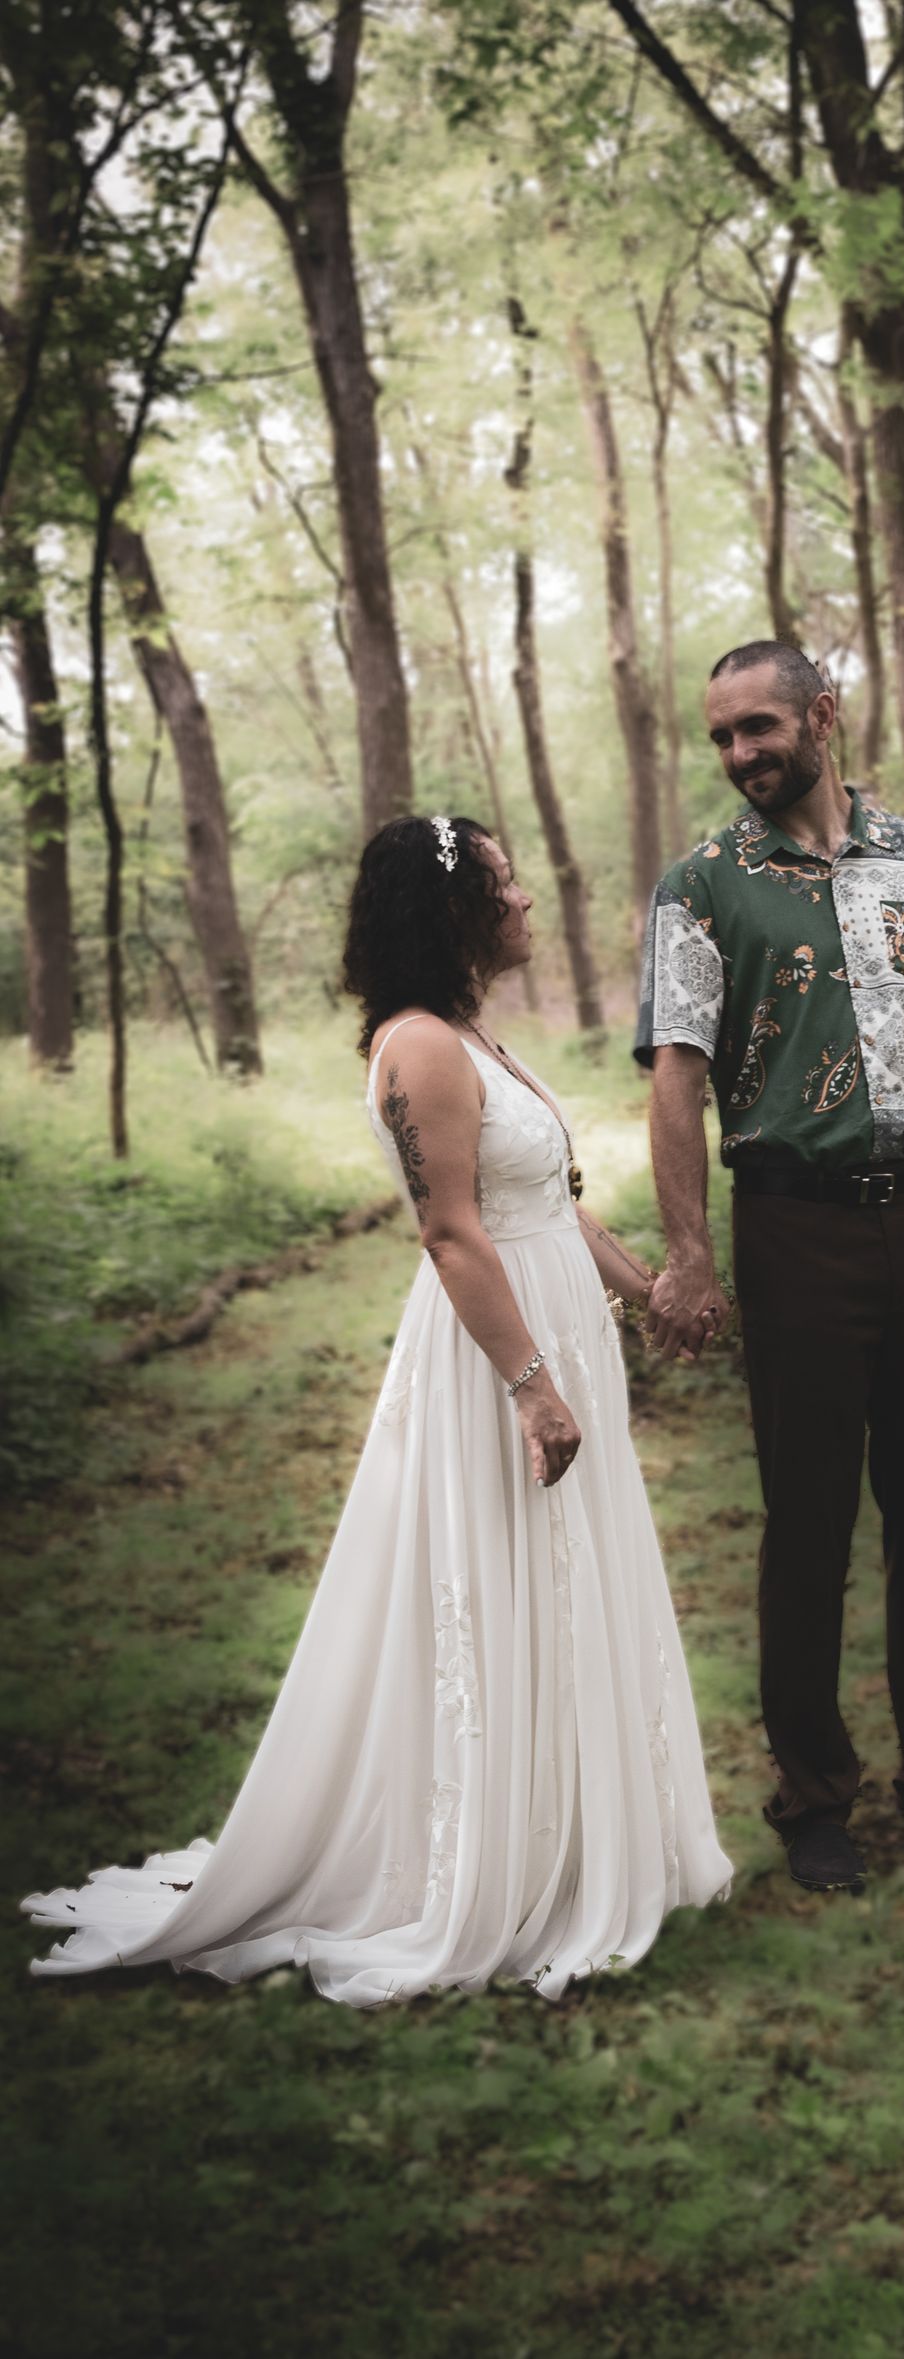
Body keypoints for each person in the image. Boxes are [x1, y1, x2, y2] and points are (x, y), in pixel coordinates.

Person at [24, 814, 731, 2005]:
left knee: (569, 1581)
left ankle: (573, 1832)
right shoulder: (419, 1049)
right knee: (503, 1582)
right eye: (504, 886)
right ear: (452, 911)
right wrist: (531, 1383)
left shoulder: (479, 1038)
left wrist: (651, 1288)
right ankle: (486, 1863)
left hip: (555, 1326)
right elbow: (452, 1231)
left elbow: (554, 1209)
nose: (523, 904)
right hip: (493, 1358)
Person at [634, 643, 904, 1899]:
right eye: (720, 738)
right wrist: (693, 1255)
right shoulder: (703, 884)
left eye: (758, 727)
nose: (740, 755)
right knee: (808, 1525)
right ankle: (815, 1794)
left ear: (824, 714)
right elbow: (676, 1074)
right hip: (796, 1227)